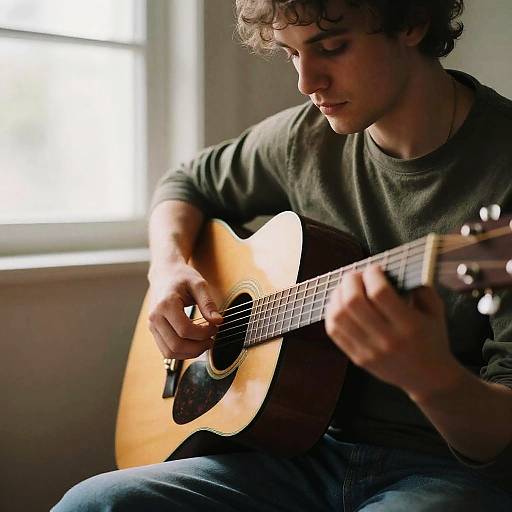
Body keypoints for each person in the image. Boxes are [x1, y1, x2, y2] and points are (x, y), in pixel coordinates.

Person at [53, 0, 512, 510]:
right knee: (92, 503)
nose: (306, 81)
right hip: (298, 452)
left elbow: (499, 441)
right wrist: (166, 269)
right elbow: (185, 183)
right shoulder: (304, 141)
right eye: (291, 54)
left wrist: (431, 377)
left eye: (331, 48)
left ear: (412, 23)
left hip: (443, 472)